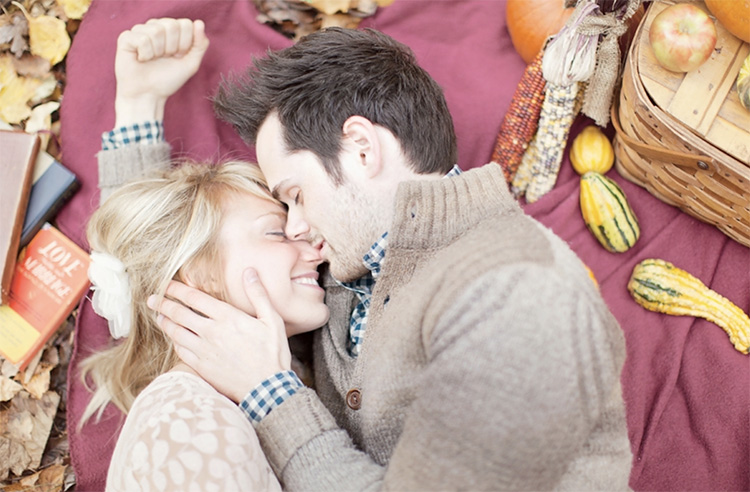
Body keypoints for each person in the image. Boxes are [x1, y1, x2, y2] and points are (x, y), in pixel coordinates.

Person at [149, 26, 634, 490]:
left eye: (296, 194)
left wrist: (271, 395)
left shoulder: (516, 298)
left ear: (361, 149)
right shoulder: (350, 261)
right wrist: (139, 103)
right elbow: (193, 249)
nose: (295, 227)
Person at [79, 18, 329, 491]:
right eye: (277, 233)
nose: (312, 242)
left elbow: (145, 260)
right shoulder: (189, 427)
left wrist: (139, 103)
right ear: (196, 276)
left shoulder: (254, 365)